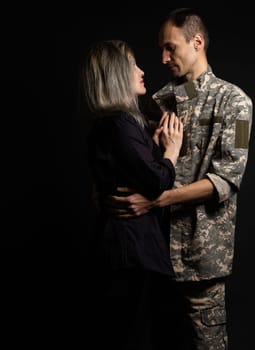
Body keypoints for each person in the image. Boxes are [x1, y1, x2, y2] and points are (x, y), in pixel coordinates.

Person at [104, 8, 253, 350]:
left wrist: (158, 200)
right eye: (161, 49)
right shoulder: (161, 102)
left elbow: (226, 180)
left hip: (200, 258)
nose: (163, 57)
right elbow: (132, 161)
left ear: (197, 42)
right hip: (152, 253)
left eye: (170, 48)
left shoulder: (237, 104)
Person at [81, 39, 183, 348]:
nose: (142, 71)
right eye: (133, 65)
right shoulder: (120, 124)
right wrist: (171, 152)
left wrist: (149, 146)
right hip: (132, 252)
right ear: (116, 76)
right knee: (132, 335)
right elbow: (155, 181)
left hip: (122, 250)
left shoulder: (111, 125)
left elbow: (126, 169)